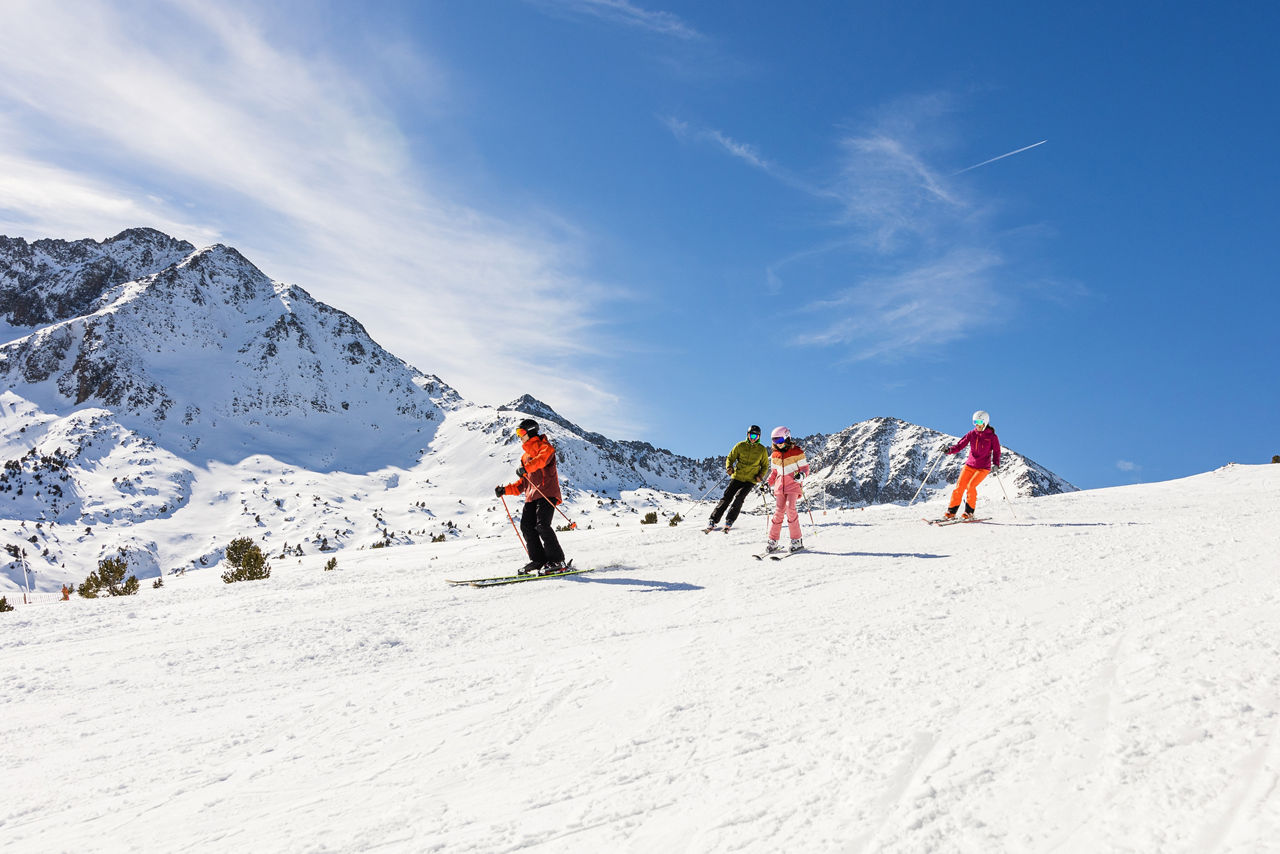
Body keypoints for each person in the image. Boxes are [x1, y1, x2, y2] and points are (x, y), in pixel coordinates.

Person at [494, 419, 568, 575]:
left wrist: (525, 468)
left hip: (547, 493)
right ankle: (539, 560)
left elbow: (540, 462)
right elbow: (523, 483)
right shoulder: (525, 457)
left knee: (542, 525)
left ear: (531, 431)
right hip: (531, 497)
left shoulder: (546, 448)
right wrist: (505, 490)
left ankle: (557, 560)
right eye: (517, 433)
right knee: (527, 527)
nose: (519, 436)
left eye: (521, 433)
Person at [705, 425, 770, 533]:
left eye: (756, 436)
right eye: (751, 435)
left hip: (750, 480)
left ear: (759, 437)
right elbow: (730, 457)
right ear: (747, 435)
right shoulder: (740, 445)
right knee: (727, 497)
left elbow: (765, 465)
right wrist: (729, 467)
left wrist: (760, 475)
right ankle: (713, 520)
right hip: (737, 477)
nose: (753, 438)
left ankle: (729, 520)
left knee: (739, 498)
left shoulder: (761, 450)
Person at [942, 410, 1002, 520]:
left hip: (983, 468)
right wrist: (949, 450)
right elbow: (960, 445)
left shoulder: (992, 437)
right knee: (959, 487)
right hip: (969, 465)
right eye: (975, 422)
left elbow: (997, 452)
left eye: (979, 422)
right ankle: (951, 512)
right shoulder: (972, 434)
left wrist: (996, 464)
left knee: (971, 486)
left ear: (985, 422)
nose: (977, 425)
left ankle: (969, 513)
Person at [764, 426, 810, 553]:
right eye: (774, 441)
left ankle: (797, 540)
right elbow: (774, 473)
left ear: (787, 437)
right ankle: (773, 541)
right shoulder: (775, 455)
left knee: (790, 509)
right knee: (778, 512)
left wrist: (801, 475)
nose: (777, 444)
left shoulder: (797, 452)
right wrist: (768, 483)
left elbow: (805, 468)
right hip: (779, 487)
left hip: (793, 485)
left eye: (779, 441)